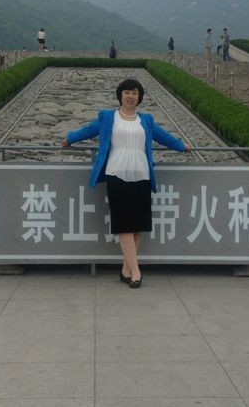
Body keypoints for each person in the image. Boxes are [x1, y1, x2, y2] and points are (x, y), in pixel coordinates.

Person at [61, 79, 192, 288]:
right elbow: (89, 130)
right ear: (120, 95)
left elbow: (163, 136)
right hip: (117, 173)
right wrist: (70, 138)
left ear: (139, 97)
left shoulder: (146, 120)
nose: (130, 96)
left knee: (137, 225)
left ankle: (125, 271)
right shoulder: (108, 117)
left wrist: (181, 146)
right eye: (127, 92)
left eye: (134, 93)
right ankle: (136, 271)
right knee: (123, 224)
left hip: (141, 174)